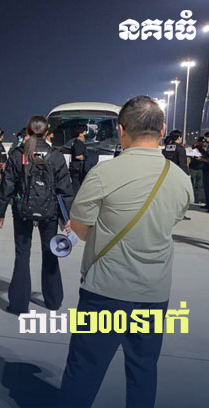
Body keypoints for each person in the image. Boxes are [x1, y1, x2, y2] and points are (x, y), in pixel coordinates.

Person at [60, 96, 193, 407]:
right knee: (143, 370)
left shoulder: (103, 174)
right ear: (162, 129)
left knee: (85, 369)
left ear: (121, 130)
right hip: (154, 291)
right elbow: (170, 221)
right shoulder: (180, 179)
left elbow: (79, 229)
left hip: (105, 290)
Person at [0, 116, 74, 314]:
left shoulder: (18, 154)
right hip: (49, 211)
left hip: (22, 210)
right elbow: (65, 189)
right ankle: (53, 300)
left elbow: (7, 185)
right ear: (47, 133)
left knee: (22, 254)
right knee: (50, 253)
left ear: (28, 131)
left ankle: (18, 304)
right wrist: (67, 218)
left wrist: (0, 211)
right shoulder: (55, 155)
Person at [69, 124, 88, 195]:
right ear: (80, 134)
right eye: (85, 132)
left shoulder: (76, 142)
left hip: (76, 167)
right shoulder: (78, 143)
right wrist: (87, 157)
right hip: (77, 168)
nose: (86, 134)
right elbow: (78, 156)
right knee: (77, 186)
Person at [190, 135, 206, 204]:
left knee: (199, 185)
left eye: (203, 142)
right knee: (192, 184)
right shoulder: (194, 148)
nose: (202, 143)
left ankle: (197, 199)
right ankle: (192, 198)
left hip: (201, 169)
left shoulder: (204, 149)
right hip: (193, 168)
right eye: (201, 142)